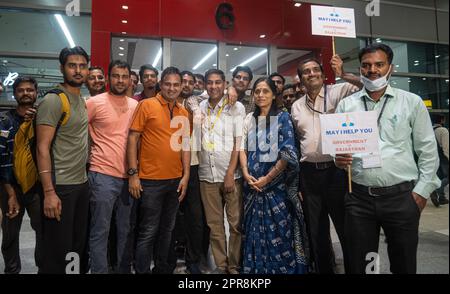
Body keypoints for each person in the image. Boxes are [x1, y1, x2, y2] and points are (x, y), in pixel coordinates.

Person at [335, 43, 440, 274]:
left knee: (403, 264)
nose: (372, 69)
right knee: (359, 265)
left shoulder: (411, 102)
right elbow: (339, 151)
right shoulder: (346, 105)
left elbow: (428, 151)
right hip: (358, 197)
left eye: (379, 64)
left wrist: (421, 193)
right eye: (366, 65)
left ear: (390, 68)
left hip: (402, 198)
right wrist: (338, 159)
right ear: (360, 69)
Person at [290, 55, 362, 273]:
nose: (311, 74)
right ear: (301, 78)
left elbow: (365, 85)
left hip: (336, 172)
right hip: (309, 175)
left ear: (322, 73)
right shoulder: (296, 106)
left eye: (315, 70)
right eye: (306, 71)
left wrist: (342, 74)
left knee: (345, 229)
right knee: (317, 232)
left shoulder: (338, 92)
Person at [239, 77, 309, 274]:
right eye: (257, 91)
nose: (261, 95)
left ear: (273, 94)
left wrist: (267, 179)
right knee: (253, 232)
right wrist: (245, 173)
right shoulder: (250, 119)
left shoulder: (283, 118)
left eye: (265, 91)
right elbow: (242, 149)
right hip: (252, 186)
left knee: (279, 231)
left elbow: (288, 153)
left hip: (275, 188)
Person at [127, 66, 190, 274]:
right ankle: (143, 270)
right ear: (161, 85)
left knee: (168, 231)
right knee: (148, 231)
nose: (172, 88)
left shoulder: (183, 111)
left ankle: (162, 269)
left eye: (176, 85)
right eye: (168, 84)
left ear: (181, 87)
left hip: (175, 181)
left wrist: (186, 176)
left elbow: (185, 146)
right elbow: (133, 138)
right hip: (150, 181)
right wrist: (133, 174)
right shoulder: (146, 105)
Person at [36, 46, 90, 274]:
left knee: (76, 246)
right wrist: (49, 192)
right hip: (60, 187)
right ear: (62, 68)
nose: (78, 70)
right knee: (58, 251)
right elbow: (42, 147)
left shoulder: (80, 99)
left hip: (80, 184)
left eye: (82, 66)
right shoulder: (54, 100)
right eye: (72, 65)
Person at [86, 60, 138, 274]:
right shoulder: (93, 102)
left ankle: (122, 270)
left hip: (129, 177)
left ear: (129, 80)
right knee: (100, 230)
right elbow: (76, 131)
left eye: (124, 76)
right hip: (102, 175)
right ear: (108, 78)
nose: (120, 80)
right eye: (116, 76)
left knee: (125, 231)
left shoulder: (136, 105)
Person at [198, 69, 246, 274]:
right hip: (206, 175)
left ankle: (234, 265)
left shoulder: (236, 106)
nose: (213, 86)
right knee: (214, 225)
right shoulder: (199, 105)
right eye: (209, 82)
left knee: (235, 225)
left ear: (225, 83)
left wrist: (230, 173)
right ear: (205, 85)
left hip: (231, 176)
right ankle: (221, 264)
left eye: (218, 82)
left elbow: (239, 141)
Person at [0, 77, 42, 274]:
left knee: (43, 232)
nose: (26, 93)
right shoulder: (5, 121)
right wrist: (10, 194)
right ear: (15, 94)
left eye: (30, 90)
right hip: (11, 187)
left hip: (36, 188)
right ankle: (12, 270)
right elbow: (1, 160)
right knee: (10, 235)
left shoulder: (42, 120)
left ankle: (44, 267)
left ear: (36, 93)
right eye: (21, 90)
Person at [430, 114, 449, 207]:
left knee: (439, 177)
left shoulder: (430, 130)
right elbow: (446, 147)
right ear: (441, 120)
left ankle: (442, 198)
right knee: (446, 177)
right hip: (443, 157)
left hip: (433, 157)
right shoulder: (443, 130)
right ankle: (437, 191)